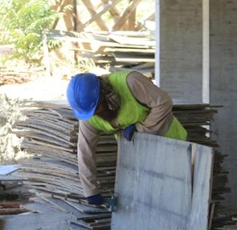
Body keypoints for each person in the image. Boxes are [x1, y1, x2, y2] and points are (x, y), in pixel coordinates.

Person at [66, 70, 187, 206]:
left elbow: (163, 103)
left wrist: (141, 129)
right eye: (92, 112)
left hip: (172, 146)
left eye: (98, 108)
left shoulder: (131, 82)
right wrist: (90, 190)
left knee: (176, 199)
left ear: (104, 93)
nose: (97, 114)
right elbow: (85, 150)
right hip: (139, 158)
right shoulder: (89, 114)